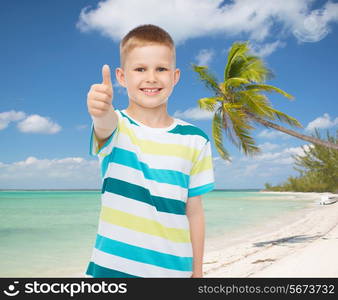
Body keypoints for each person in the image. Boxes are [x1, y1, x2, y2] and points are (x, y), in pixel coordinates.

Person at [85, 24, 215, 278]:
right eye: (140, 69)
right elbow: (104, 124)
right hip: (112, 272)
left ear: (175, 76)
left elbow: (195, 211)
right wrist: (99, 110)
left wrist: (197, 272)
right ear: (122, 77)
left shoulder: (195, 140)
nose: (152, 78)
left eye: (161, 69)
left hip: (174, 272)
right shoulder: (117, 126)